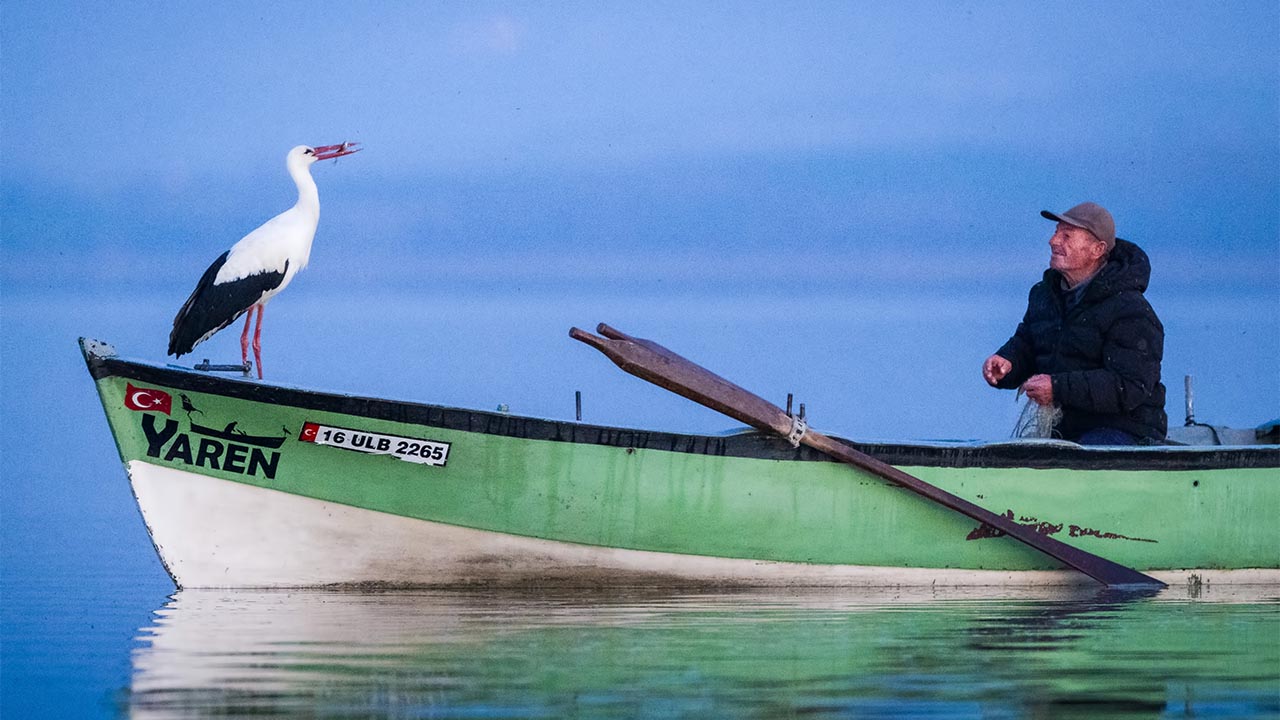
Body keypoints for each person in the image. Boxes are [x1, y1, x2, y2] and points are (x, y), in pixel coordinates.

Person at [983, 202, 1167, 445]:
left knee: (1087, 454)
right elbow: (1028, 343)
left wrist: (1058, 388)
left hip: (1124, 431)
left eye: (1066, 235)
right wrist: (1007, 362)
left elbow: (1129, 386)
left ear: (1097, 249)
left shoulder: (1131, 311)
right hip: (1066, 431)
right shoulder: (1044, 295)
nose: (1053, 241)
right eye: (1056, 232)